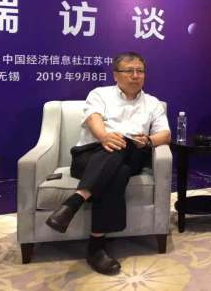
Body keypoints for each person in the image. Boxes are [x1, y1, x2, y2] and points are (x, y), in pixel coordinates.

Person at [45, 52, 171, 275]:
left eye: (140, 71)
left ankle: (75, 202)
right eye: (129, 71)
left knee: (123, 145)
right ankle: (95, 247)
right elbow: (93, 118)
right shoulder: (99, 94)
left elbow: (166, 134)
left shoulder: (152, 103)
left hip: (132, 152)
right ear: (115, 75)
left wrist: (147, 140)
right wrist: (104, 136)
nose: (135, 76)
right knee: (119, 170)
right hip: (89, 156)